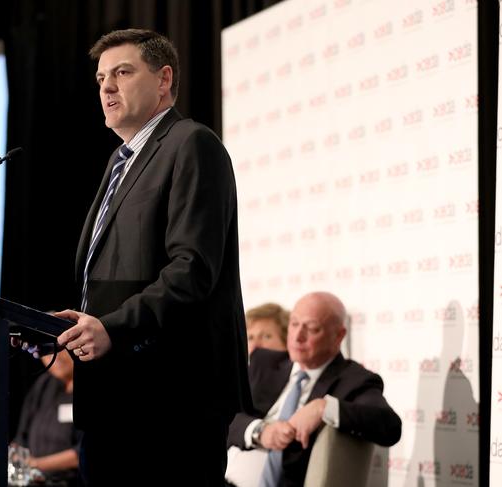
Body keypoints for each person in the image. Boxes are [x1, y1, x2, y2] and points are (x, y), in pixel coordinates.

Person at [54, 28, 252, 486]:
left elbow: (192, 269)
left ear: (164, 80)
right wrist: (69, 326)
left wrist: (113, 327)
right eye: (102, 76)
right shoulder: (118, 162)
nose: (106, 86)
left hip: (170, 401)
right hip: (114, 397)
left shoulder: (191, 145)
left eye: (122, 72)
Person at [226, 292, 401, 487]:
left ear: (339, 336)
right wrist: (260, 431)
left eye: (312, 328)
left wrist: (324, 408)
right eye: (294, 324)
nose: (298, 336)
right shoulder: (264, 362)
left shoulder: (354, 380)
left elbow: (390, 426)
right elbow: (227, 416)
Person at [13, 350, 82, 486]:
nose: (55, 357)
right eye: (47, 352)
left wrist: (35, 464)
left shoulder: (95, 388)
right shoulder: (44, 384)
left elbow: (87, 453)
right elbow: (21, 437)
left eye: (60, 350)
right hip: (34, 480)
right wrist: (15, 456)